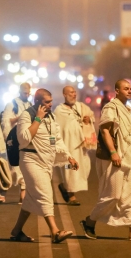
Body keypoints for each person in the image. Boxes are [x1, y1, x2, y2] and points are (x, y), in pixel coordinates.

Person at [80, 80, 131, 241]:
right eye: (126, 89)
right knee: (112, 195)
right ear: (117, 91)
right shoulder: (111, 107)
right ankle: (89, 222)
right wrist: (113, 152)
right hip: (116, 158)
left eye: (130, 89)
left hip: (129, 159)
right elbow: (105, 130)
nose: (129, 91)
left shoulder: (126, 109)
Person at [10, 89, 79, 244]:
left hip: (46, 162)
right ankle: (55, 231)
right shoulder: (27, 115)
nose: (50, 104)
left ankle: (16, 231)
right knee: (45, 194)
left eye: (51, 101)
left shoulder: (51, 117)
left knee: (30, 198)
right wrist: (38, 119)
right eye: (46, 102)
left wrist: (69, 156)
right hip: (30, 160)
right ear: (37, 101)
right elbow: (24, 139)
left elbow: (56, 139)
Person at [54, 86, 94, 205]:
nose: (74, 94)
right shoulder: (59, 110)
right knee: (70, 169)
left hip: (82, 145)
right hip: (69, 145)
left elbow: (91, 116)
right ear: (65, 95)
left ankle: (64, 186)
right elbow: (56, 128)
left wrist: (89, 119)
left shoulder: (81, 106)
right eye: (71, 93)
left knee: (85, 167)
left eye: (74, 92)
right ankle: (71, 195)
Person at [1, 82, 32, 203]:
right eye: (25, 92)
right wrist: (20, 118)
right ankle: (2, 192)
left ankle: (23, 196)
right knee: (13, 169)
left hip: (26, 140)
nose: (27, 95)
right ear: (20, 92)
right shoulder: (12, 104)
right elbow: (6, 122)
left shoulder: (30, 104)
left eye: (29, 93)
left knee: (24, 167)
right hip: (14, 139)